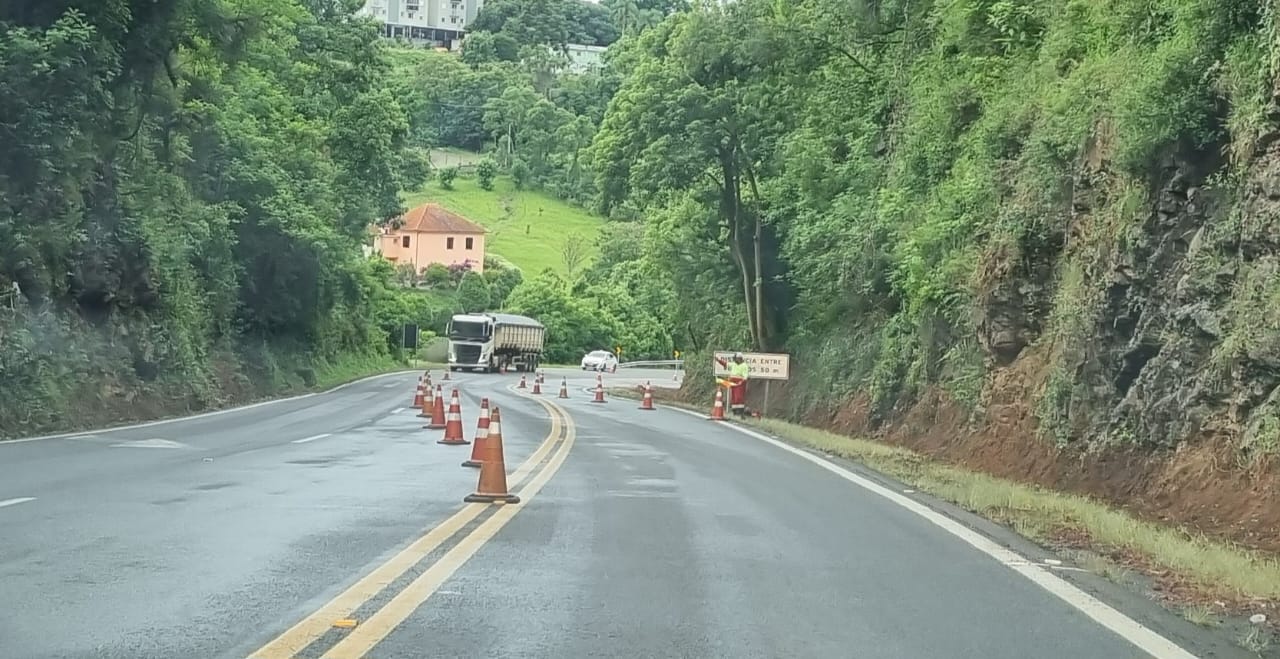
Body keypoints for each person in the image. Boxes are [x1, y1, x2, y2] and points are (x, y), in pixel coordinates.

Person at [714, 352, 750, 417]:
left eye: (736, 358)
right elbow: (726, 364)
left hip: (740, 384)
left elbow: (745, 376)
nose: (735, 360)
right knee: (733, 397)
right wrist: (718, 360)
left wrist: (741, 382)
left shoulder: (744, 366)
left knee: (739, 397)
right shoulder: (733, 364)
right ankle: (735, 411)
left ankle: (740, 411)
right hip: (733, 383)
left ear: (739, 358)